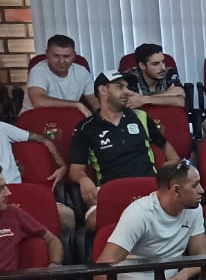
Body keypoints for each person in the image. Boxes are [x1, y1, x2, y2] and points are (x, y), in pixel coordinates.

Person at [70, 72, 180, 226]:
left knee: (181, 210)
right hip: (112, 190)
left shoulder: (140, 117)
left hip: (148, 188)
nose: (127, 91)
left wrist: (174, 166)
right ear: (103, 90)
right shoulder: (86, 128)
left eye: (127, 87)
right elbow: (75, 170)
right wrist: (83, 179)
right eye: (120, 87)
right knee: (93, 222)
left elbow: (165, 145)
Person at [22, 34, 94, 114]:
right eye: (56, 56)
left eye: (66, 56)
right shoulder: (38, 70)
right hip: (34, 118)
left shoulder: (82, 71)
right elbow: (38, 101)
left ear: (74, 55)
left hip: (65, 118)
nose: (61, 61)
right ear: (47, 54)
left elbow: (93, 100)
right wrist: (76, 105)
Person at [124, 43, 186, 109]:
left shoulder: (169, 72)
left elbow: (181, 101)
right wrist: (168, 94)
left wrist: (143, 100)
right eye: (155, 64)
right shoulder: (130, 77)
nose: (163, 68)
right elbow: (130, 103)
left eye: (163, 62)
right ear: (142, 66)